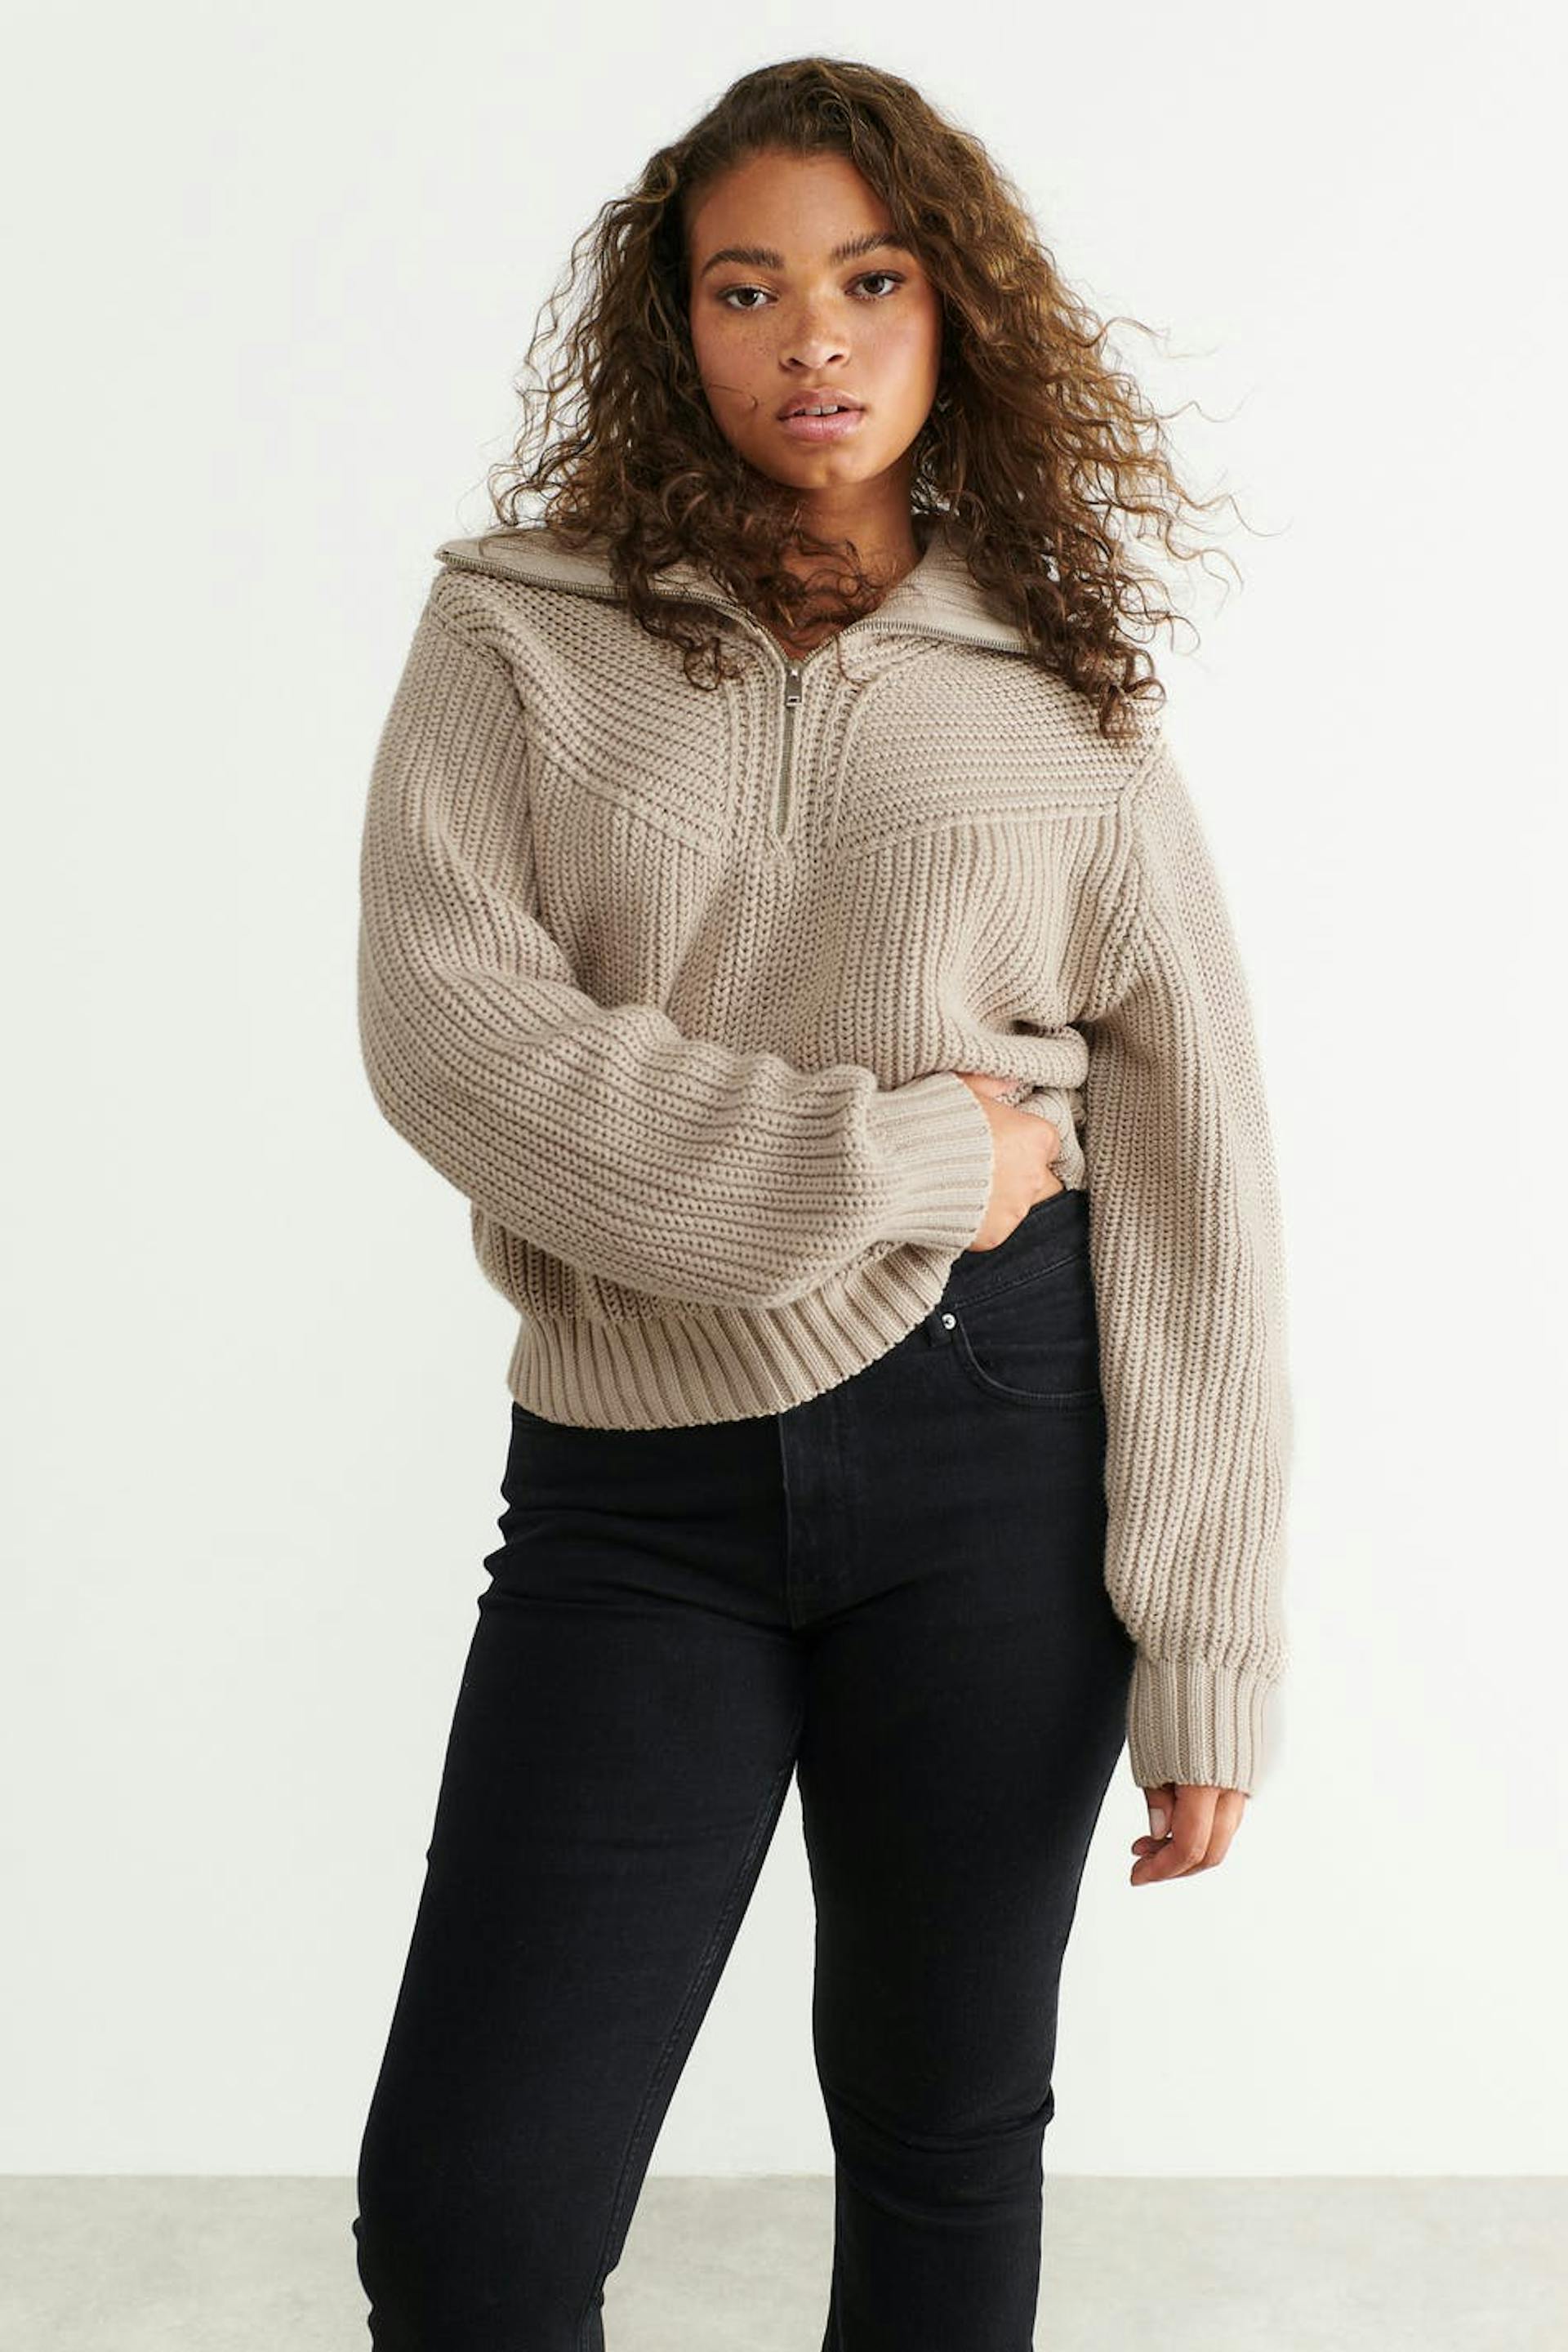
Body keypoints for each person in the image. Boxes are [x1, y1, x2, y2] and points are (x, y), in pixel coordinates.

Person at [350, 54, 1294, 2352]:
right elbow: (454, 1037)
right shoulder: (518, 634)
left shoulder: (1063, 697)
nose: (815, 341)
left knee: (943, 2130)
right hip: (637, 1478)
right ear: (673, 321)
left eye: (870, 282)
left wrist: (1212, 1634)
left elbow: (1197, 1166)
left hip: (1002, 1447)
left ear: (954, 309)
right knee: (475, 2221)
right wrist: (901, 1157)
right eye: (747, 287)